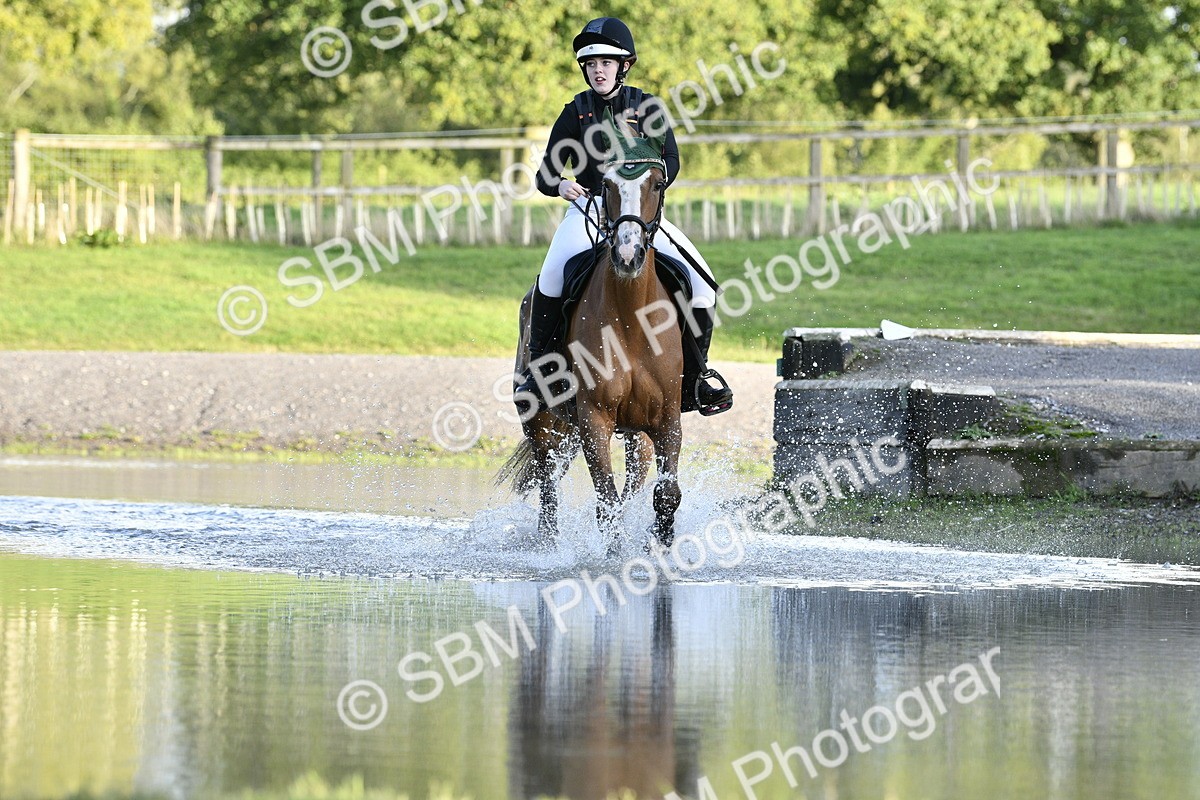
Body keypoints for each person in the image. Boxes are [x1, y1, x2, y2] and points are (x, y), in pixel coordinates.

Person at [515, 16, 733, 416]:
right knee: (550, 278)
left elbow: (671, 160)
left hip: (640, 213)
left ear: (623, 66)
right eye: (591, 64)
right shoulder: (575, 112)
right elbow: (546, 173)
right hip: (590, 209)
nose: (598, 71)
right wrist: (561, 185)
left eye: (606, 63)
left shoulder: (647, 107)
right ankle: (539, 374)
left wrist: (648, 185)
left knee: (703, 285)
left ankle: (697, 378)